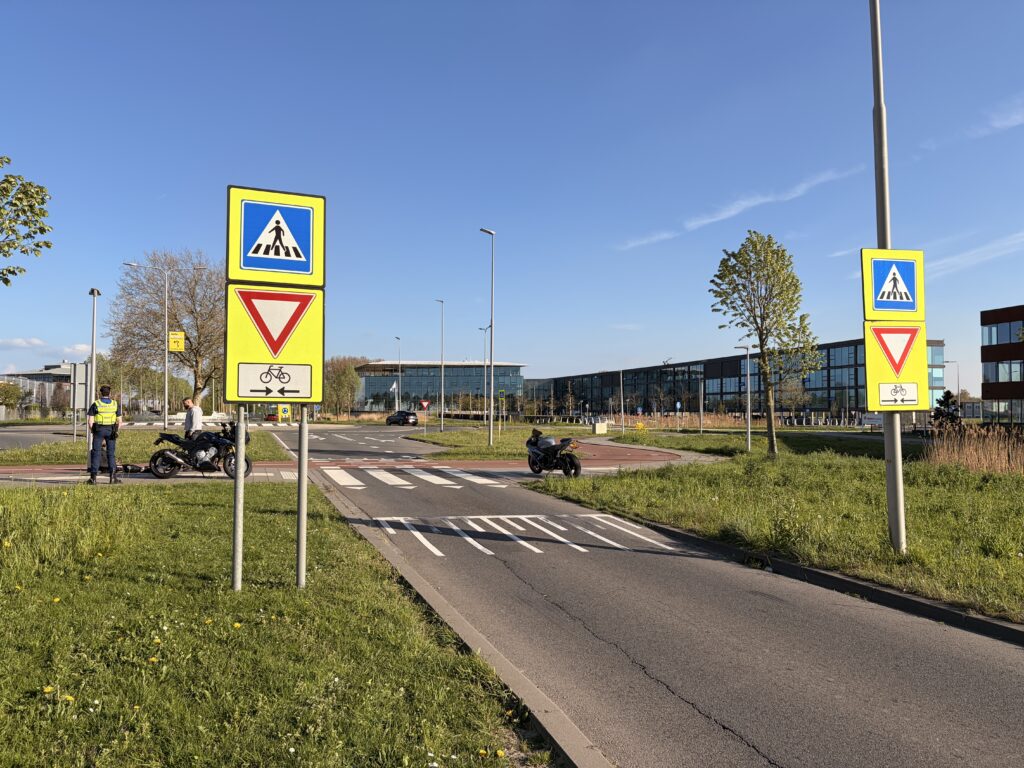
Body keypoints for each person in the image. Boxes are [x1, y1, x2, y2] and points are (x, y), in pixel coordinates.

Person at [87, 385, 122, 485]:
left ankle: (93, 478)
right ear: (110, 393)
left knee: (96, 453)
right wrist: (116, 431)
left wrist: (93, 431)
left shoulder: (96, 404)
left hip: (98, 430)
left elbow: (90, 421)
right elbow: (120, 421)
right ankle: (113, 478)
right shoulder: (115, 404)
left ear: (100, 393)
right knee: (111, 454)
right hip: (111, 430)